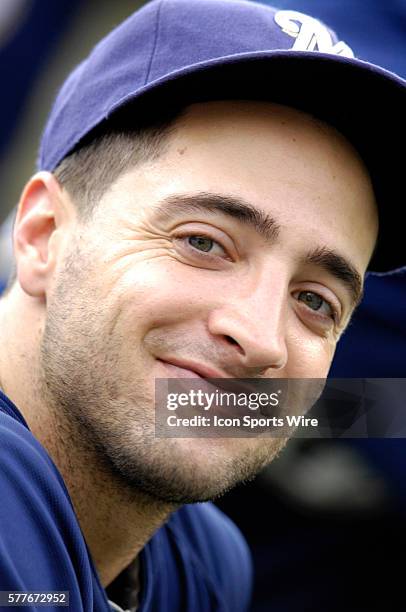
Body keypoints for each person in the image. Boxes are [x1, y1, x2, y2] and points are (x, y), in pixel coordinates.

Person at [0, 0, 404, 610]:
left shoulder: (205, 560)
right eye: (202, 242)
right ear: (42, 235)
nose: (261, 335)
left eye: (316, 301)